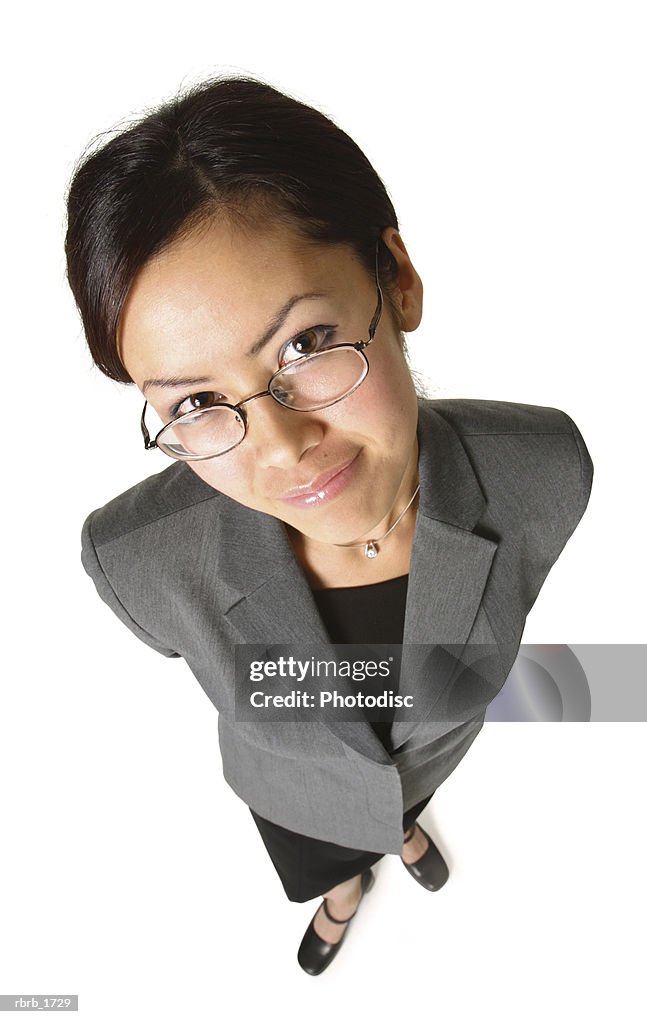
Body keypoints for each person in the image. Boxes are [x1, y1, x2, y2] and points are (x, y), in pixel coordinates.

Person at [65, 75, 594, 976]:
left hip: (435, 759)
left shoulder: (541, 471)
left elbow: (530, 670)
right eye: (195, 401)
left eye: (304, 345)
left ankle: (400, 829)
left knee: (397, 796)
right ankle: (342, 891)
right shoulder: (135, 560)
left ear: (395, 280)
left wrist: (595, 696)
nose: (279, 448)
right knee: (322, 855)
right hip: (290, 791)